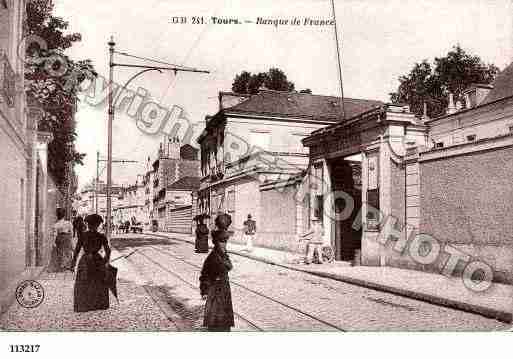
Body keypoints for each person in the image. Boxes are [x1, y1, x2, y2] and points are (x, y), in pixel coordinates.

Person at [199, 213, 234, 332]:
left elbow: (229, 266)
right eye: (222, 242)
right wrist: (204, 290)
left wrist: (225, 255)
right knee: (216, 323)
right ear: (216, 242)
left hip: (223, 292)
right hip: (215, 293)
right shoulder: (213, 257)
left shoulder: (222, 255)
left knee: (224, 323)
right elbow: (204, 274)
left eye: (225, 242)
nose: (224, 245)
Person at [71, 214, 111, 312]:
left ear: (88, 225)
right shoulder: (101, 236)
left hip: (85, 260)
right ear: (98, 225)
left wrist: (73, 263)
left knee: (84, 282)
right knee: (97, 282)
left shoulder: (83, 235)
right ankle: (98, 304)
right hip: (97, 260)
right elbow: (108, 251)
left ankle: (84, 305)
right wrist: (104, 262)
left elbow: (76, 250)